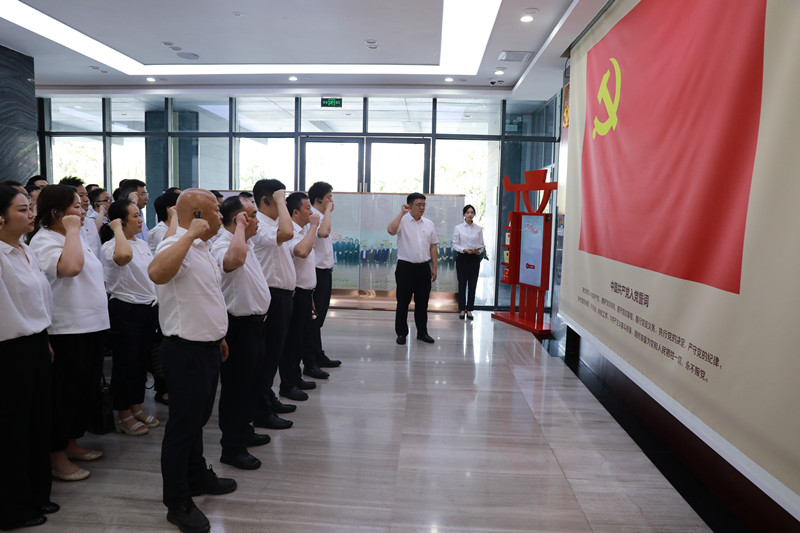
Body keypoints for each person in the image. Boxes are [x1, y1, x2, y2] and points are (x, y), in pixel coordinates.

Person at [148, 189, 236, 533]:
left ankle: (197, 475)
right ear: (198, 215)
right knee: (182, 428)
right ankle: (177, 501)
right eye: (215, 210)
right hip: (184, 351)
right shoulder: (175, 245)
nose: (220, 215)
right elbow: (157, 273)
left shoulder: (201, 249)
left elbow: (205, 295)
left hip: (207, 347)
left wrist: (219, 335)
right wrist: (188, 236)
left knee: (196, 421)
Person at [29, 184, 110, 482]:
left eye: (81, 205)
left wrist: (74, 230)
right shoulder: (45, 241)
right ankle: (56, 455)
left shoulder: (72, 237)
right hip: (65, 330)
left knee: (83, 392)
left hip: (91, 326)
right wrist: (73, 230)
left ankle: (71, 443)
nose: (83, 209)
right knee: (63, 396)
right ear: (55, 213)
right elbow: (71, 268)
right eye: (75, 206)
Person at [0, 185, 59, 531]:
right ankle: (11, 508)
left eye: (29, 208)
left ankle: (37, 493)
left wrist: (45, 338)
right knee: (12, 430)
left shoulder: (24, 249)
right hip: (9, 350)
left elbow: (38, 300)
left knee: (39, 423)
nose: (31, 214)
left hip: (35, 342)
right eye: (22, 210)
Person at [210, 196, 272, 470]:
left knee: (250, 384)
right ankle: (232, 448)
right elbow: (232, 261)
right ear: (238, 220)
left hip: (255, 325)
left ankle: (243, 431)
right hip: (238, 326)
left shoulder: (244, 241)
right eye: (252, 216)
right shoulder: (224, 244)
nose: (257, 221)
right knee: (236, 389)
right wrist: (239, 229)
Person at [99, 199, 160, 436]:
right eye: (134, 216)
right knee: (126, 363)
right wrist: (115, 229)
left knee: (141, 362)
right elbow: (123, 257)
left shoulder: (142, 244)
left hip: (147, 309)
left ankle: (136, 406)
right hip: (125, 310)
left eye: (140, 215)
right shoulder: (111, 246)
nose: (140, 220)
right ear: (120, 221)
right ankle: (123, 414)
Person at [250, 179, 300, 424]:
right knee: (267, 358)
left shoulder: (275, 223)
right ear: (265, 200)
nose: (284, 201)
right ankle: (261, 411)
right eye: (279, 197)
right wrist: (281, 201)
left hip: (283, 297)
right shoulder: (260, 226)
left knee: (274, 354)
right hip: (272, 297)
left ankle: (267, 400)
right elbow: (287, 234)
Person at [387, 192, 438, 345]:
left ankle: (422, 332)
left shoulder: (429, 223)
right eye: (418, 205)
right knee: (403, 302)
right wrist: (402, 213)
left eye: (424, 205)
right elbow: (390, 230)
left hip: (423, 267)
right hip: (405, 268)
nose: (422, 208)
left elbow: (433, 246)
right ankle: (402, 333)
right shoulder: (402, 220)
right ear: (410, 206)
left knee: (422, 303)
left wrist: (434, 266)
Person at [285, 192, 324, 384]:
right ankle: (289, 382)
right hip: (295, 293)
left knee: (302, 337)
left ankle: (296, 377)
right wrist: (314, 226)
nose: (312, 211)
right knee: (293, 340)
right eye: (308, 208)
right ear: (295, 212)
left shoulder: (303, 230)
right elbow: (301, 251)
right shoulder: (290, 232)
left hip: (306, 293)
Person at [307, 181, 341, 369]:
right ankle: (311, 361)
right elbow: (324, 233)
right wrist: (328, 211)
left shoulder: (321, 215)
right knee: (314, 319)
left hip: (325, 273)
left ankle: (318, 355)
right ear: (319, 199)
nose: (331, 201)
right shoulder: (314, 216)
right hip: (316, 273)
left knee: (318, 318)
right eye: (329, 197)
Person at [452, 204, 485, 320]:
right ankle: (462, 309)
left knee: (472, 284)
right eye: (468, 212)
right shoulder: (458, 228)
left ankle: (470, 309)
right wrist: (464, 249)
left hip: (474, 258)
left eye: (472, 212)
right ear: (464, 214)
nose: (470, 214)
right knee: (462, 284)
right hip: (463, 258)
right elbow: (454, 244)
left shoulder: (478, 229)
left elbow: (482, 244)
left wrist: (478, 250)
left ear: (474, 214)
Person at [59, 177, 101, 258]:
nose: (86, 199)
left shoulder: (89, 222)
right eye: (81, 195)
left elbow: (98, 253)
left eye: (86, 195)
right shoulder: (61, 227)